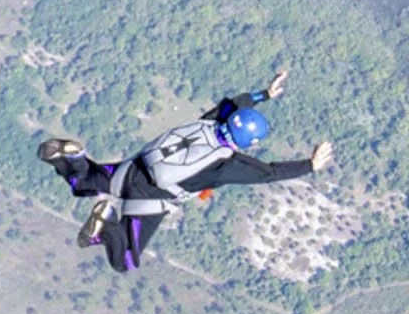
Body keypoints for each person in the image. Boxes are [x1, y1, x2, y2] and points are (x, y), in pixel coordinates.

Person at [37, 67, 333, 274]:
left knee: (84, 182)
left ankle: (72, 159)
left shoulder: (210, 121)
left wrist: (263, 94)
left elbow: (231, 103)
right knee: (125, 260)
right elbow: (268, 172)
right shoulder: (225, 165)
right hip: (150, 199)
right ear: (249, 144)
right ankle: (105, 229)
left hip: (133, 169)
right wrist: (309, 165)